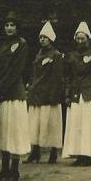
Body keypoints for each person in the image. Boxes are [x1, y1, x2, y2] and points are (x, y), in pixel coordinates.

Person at [0, 12, 30, 181]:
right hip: (2, 92)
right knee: (4, 131)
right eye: (6, 25)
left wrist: (2, 88)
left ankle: (15, 169)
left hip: (14, 93)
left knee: (14, 130)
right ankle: (4, 168)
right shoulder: (2, 46)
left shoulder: (21, 44)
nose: (9, 28)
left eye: (12, 25)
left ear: (17, 27)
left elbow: (17, 70)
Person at [62, 21, 91, 166]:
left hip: (90, 94)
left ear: (88, 39)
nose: (80, 41)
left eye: (83, 38)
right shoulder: (72, 56)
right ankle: (79, 154)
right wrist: (67, 95)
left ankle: (88, 155)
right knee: (77, 124)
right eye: (78, 38)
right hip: (76, 93)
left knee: (89, 125)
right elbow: (68, 77)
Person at [26, 21, 64, 164]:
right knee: (35, 124)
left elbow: (57, 77)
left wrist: (54, 95)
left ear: (51, 39)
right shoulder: (38, 55)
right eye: (41, 37)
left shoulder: (56, 55)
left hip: (49, 95)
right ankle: (35, 152)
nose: (42, 40)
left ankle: (53, 152)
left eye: (45, 38)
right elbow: (33, 74)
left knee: (51, 124)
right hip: (36, 94)